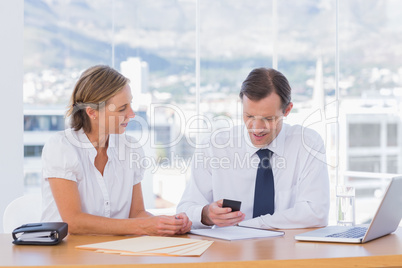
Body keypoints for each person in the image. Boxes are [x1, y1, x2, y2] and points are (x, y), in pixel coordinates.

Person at [41, 65, 192, 235]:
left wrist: (168, 224)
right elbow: (74, 222)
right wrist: (143, 226)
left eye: (130, 104)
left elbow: (136, 214)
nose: (132, 114)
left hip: (114, 251)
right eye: (122, 109)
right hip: (66, 256)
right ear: (92, 112)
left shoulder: (130, 148)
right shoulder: (62, 147)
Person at [177, 67, 330, 229]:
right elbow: (185, 211)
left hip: (287, 251)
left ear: (287, 110)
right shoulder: (214, 147)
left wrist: (248, 226)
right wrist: (206, 214)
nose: (256, 128)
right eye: (249, 116)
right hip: (229, 251)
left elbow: (316, 214)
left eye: (268, 118)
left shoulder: (307, 144)